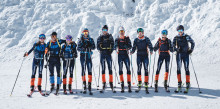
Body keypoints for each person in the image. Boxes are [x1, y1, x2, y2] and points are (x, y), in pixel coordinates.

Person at [130, 28, 153, 94]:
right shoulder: (136, 40)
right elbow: (134, 48)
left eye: (141, 32)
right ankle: (139, 82)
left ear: (143, 32)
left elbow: (150, 45)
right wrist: (132, 51)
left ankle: (146, 82)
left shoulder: (146, 39)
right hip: (139, 56)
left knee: (146, 69)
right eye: (139, 32)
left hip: (145, 55)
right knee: (139, 69)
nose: (140, 33)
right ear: (137, 33)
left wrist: (151, 50)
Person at [173, 25, 195, 93]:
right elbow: (172, 45)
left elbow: (192, 42)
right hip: (179, 55)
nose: (180, 32)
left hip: (185, 54)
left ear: (183, 30)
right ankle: (179, 83)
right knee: (178, 68)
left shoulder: (186, 36)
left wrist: (191, 50)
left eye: (181, 30)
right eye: (179, 31)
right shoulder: (176, 38)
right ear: (177, 31)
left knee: (186, 68)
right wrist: (176, 49)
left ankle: (188, 83)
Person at [97, 25, 115, 93]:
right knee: (103, 68)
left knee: (110, 68)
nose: (104, 31)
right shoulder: (100, 37)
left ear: (107, 30)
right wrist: (100, 48)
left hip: (108, 53)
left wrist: (111, 50)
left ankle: (111, 82)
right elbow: (97, 45)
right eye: (103, 30)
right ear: (102, 30)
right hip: (102, 54)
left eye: (105, 30)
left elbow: (113, 44)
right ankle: (104, 82)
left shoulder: (110, 36)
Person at [77, 28, 95, 95]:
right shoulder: (80, 39)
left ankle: (89, 84)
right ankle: (84, 84)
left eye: (86, 32)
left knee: (89, 69)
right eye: (84, 32)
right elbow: (78, 48)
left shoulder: (91, 39)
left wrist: (89, 46)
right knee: (83, 69)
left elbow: (94, 47)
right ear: (82, 33)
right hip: (82, 55)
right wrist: (83, 48)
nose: (85, 34)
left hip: (88, 55)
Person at [114, 26, 132, 93]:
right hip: (120, 55)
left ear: (124, 32)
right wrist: (115, 47)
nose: (121, 33)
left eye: (122, 32)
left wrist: (126, 46)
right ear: (119, 32)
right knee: (120, 69)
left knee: (128, 68)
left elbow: (130, 46)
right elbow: (114, 46)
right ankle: (122, 83)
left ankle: (129, 83)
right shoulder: (117, 39)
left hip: (125, 54)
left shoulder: (127, 39)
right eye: (120, 32)